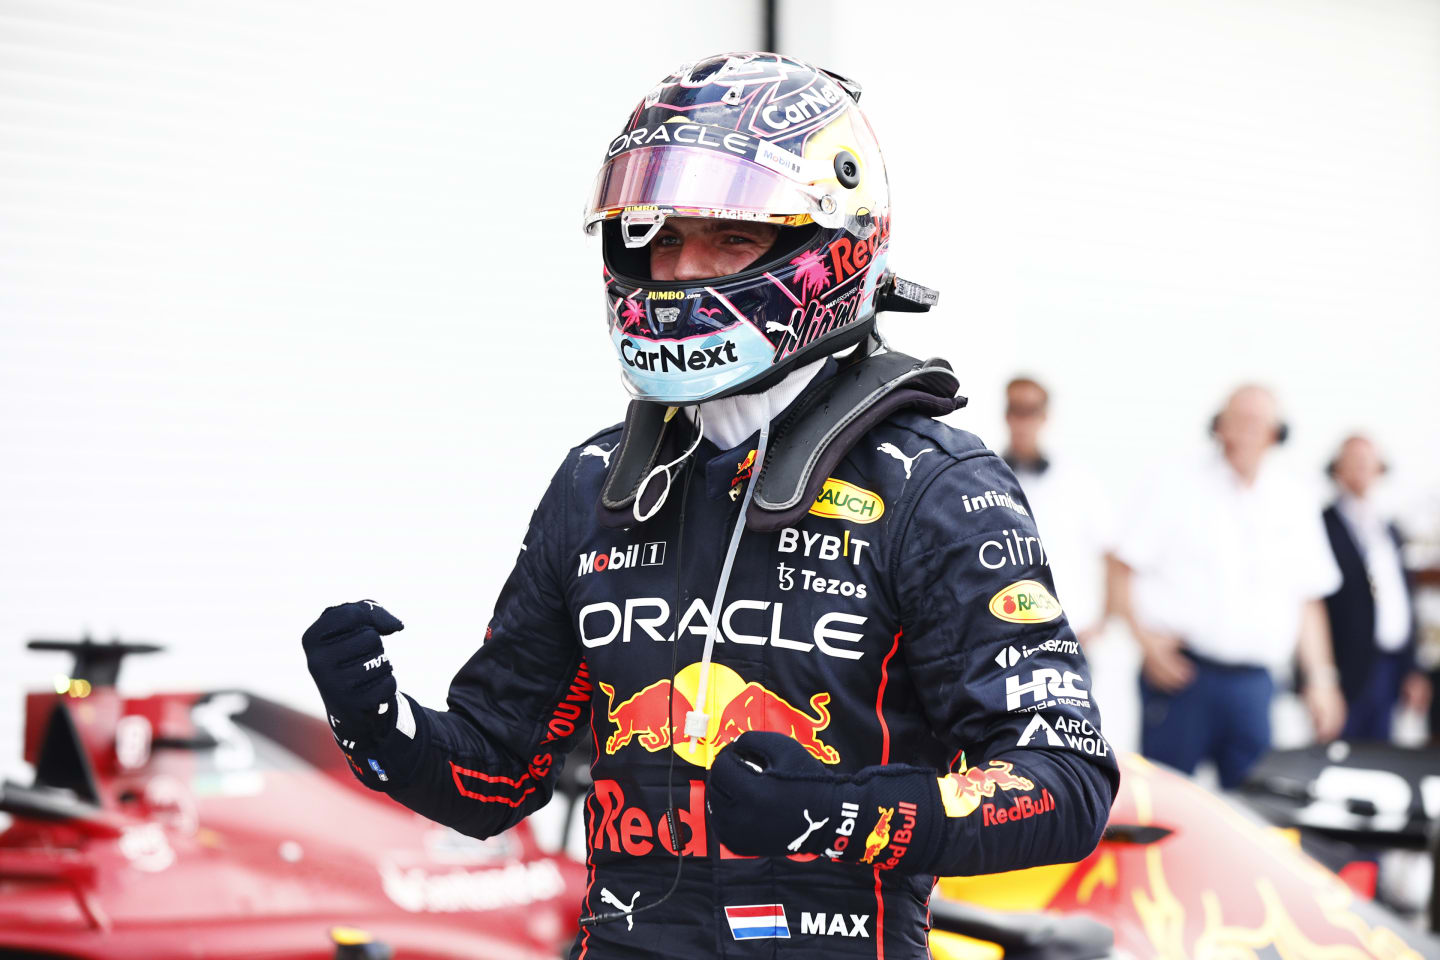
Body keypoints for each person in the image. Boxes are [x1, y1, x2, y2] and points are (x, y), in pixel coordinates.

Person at [301, 53, 1117, 959]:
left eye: (729, 239)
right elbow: (491, 778)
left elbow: (1065, 784)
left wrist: (841, 816)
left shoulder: (936, 487)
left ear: (829, 242)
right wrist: (379, 723)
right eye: (663, 237)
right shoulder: (595, 482)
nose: (683, 273)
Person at [1112, 384, 1346, 789]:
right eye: (1233, 422)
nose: (1240, 434)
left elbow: (1308, 599)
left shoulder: (1295, 497)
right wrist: (1146, 643)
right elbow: (1119, 567)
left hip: (1254, 687)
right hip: (1183, 678)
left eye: (1254, 423)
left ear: (1276, 433)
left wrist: (1322, 681)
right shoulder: (1174, 482)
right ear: (1217, 427)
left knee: (1254, 813)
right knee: (1165, 805)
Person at [1323, 434, 1430, 740]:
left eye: (1369, 464)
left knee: (1380, 756)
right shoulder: (1323, 526)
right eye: (1354, 462)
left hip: (1389, 668)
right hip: (1346, 670)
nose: (1362, 470)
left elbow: (1404, 602)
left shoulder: (1390, 529)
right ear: (1337, 469)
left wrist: (1412, 669)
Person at [1002, 377, 1115, 643]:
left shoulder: (1078, 480)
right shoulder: (983, 476)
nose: (1023, 422)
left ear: (1044, 416)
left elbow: (1111, 553)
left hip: (1071, 632)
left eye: (1031, 411)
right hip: (1006, 634)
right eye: (1015, 410)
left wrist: (1102, 623)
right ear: (1006, 415)